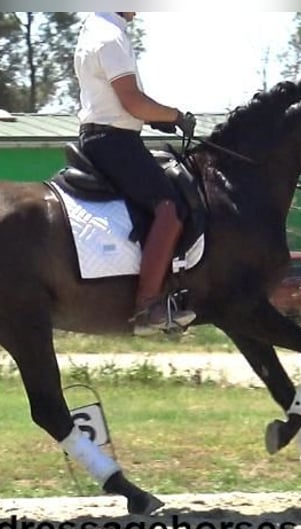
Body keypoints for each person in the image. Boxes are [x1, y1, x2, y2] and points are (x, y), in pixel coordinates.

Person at [74, 11, 197, 336]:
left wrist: (156, 119)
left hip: (105, 135)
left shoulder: (95, 27)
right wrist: (175, 115)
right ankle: (148, 305)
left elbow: (123, 103)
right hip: (114, 141)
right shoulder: (111, 36)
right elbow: (132, 102)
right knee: (169, 208)